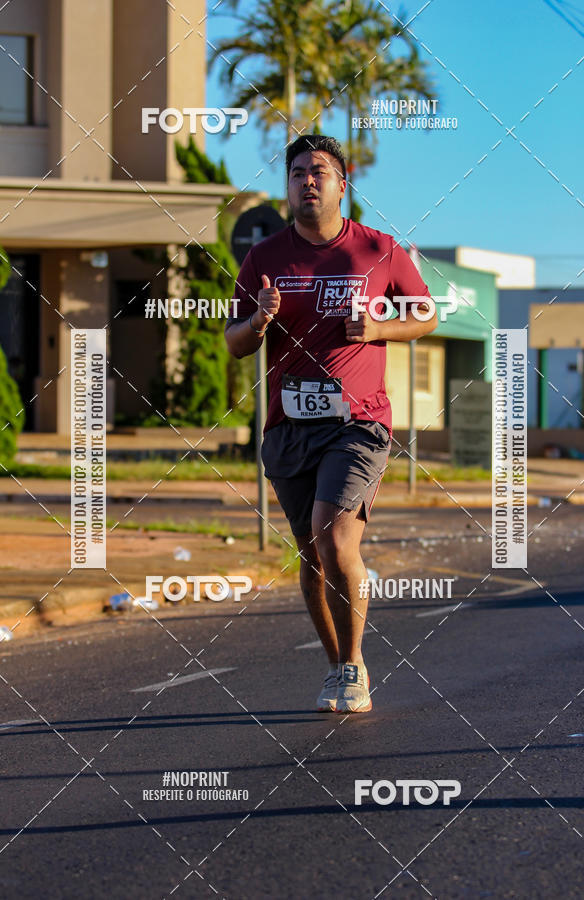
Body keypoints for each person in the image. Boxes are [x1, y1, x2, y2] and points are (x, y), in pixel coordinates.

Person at [225, 134, 437, 713]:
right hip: (287, 425)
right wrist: (259, 322)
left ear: (343, 184)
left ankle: (354, 665)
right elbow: (234, 342)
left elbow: (426, 314)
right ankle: (336, 666)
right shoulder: (265, 257)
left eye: (319, 171)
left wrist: (377, 329)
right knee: (310, 554)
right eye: (296, 173)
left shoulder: (377, 249)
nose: (307, 181)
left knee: (333, 533)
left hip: (358, 422)